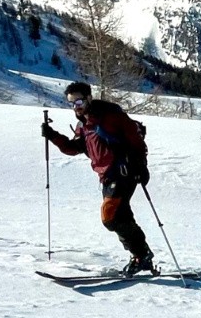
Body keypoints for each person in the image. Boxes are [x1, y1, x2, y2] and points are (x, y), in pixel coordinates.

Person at [41, 81, 156, 275]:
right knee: (121, 216)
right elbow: (74, 148)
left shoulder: (110, 116)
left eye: (78, 102)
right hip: (105, 175)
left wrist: (141, 166)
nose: (75, 107)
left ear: (88, 98)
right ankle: (141, 256)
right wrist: (52, 135)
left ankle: (142, 255)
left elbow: (135, 139)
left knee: (110, 216)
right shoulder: (83, 124)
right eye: (71, 103)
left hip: (123, 172)